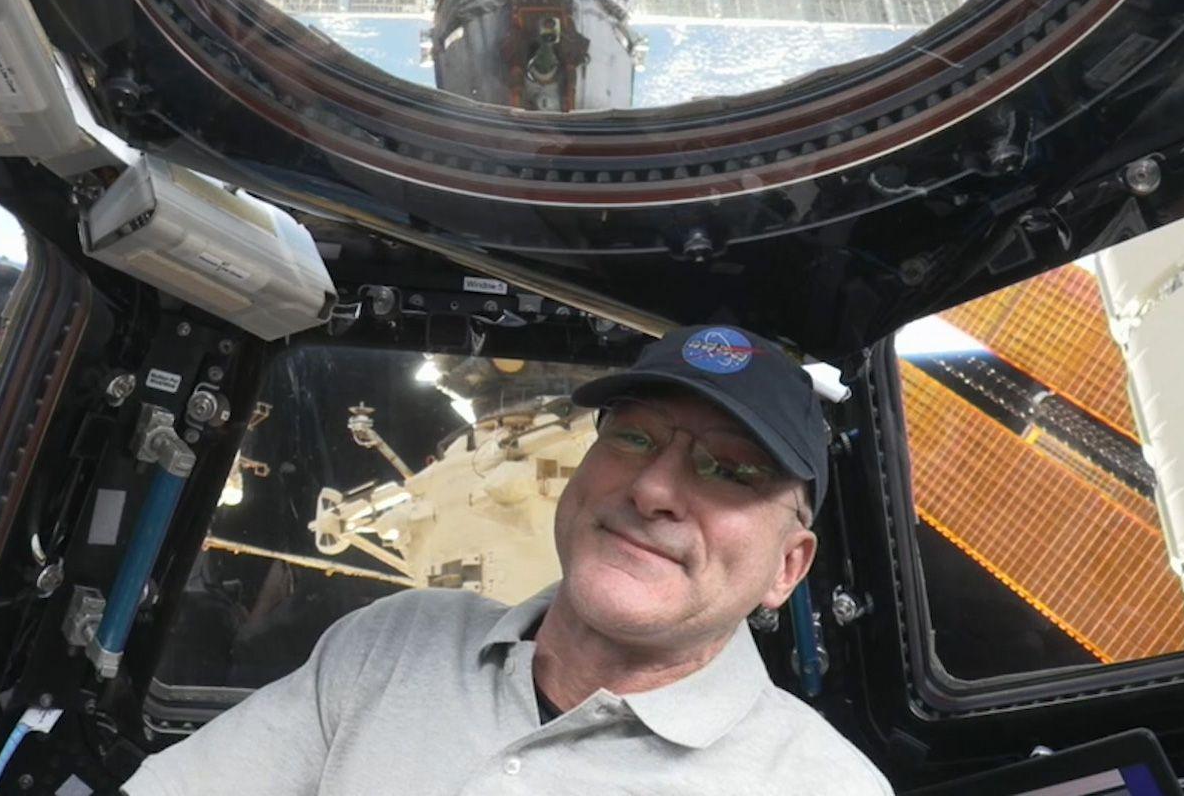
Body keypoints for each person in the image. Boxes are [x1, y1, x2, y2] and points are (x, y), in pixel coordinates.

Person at [123, 325, 893, 795]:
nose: (655, 487)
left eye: (731, 471)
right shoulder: (393, 643)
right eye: (634, 437)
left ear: (786, 569)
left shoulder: (824, 788)